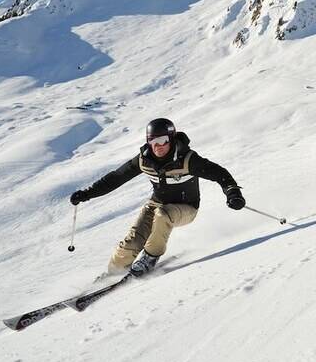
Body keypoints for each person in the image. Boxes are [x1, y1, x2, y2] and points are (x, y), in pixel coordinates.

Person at [70, 118, 245, 277]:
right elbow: (116, 178)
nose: (158, 146)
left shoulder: (188, 159)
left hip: (186, 208)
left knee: (163, 214)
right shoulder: (143, 160)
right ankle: (113, 274)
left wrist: (233, 192)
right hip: (156, 204)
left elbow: (219, 174)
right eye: (153, 141)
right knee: (131, 242)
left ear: (171, 139)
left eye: (163, 141)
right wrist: (87, 194)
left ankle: (150, 257)